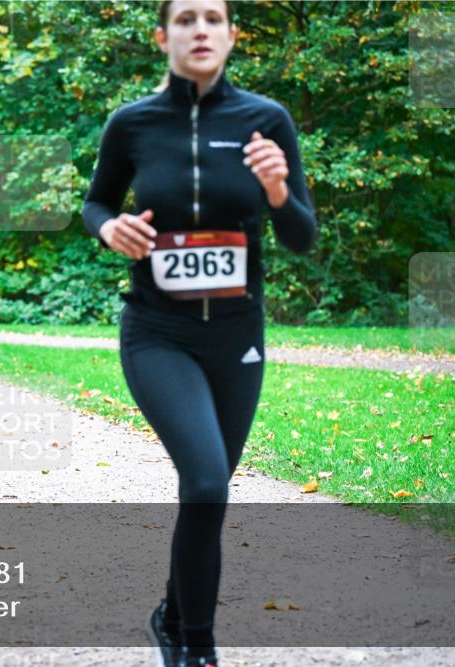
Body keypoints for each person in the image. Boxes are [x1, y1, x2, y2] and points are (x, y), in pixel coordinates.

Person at [82, 2, 317, 666]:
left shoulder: (267, 121)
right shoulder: (131, 123)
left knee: (206, 493)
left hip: (237, 337)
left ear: (233, 35)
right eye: (186, 18)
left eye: (213, 17)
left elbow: (302, 236)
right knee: (209, 482)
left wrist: (276, 189)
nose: (201, 30)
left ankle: (170, 614)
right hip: (158, 331)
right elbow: (96, 201)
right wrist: (108, 228)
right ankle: (197, 646)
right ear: (163, 37)